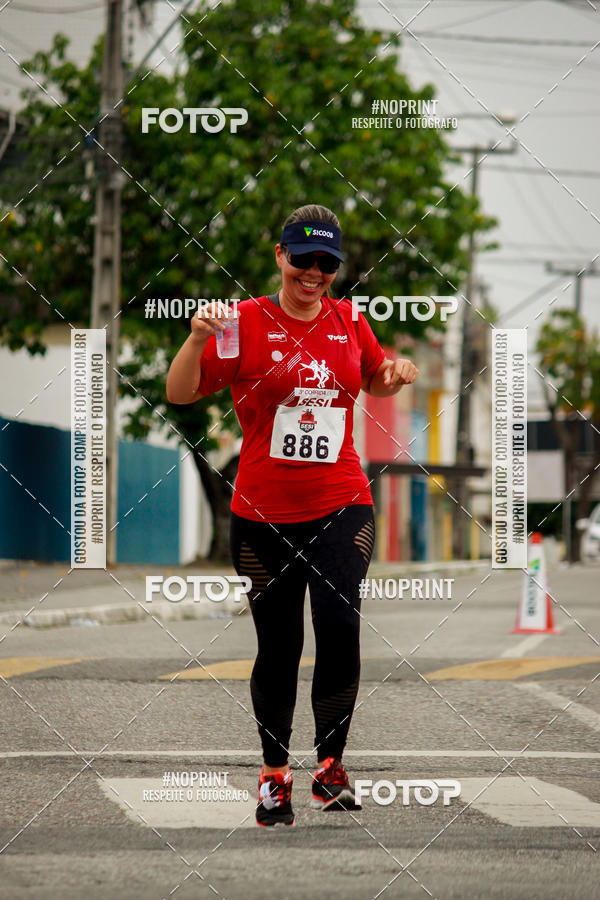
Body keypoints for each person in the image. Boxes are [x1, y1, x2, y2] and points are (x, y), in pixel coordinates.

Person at [166, 204, 418, 826]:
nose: (314, 273)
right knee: (278, 646)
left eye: (326, 263)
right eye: (302, 259)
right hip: (262, 513)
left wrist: (393, 374)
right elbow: (180, 392)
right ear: (280, 256)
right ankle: (274, 775)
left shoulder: (349, 320)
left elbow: (374, 378)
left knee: (340, 628)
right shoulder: (242, 323)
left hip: (341, 502)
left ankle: (330, 768)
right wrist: (196, 338)